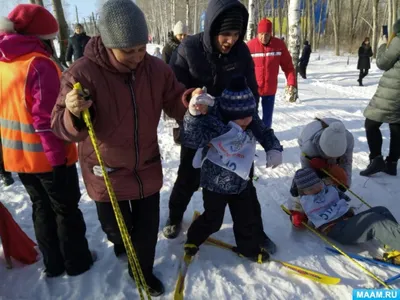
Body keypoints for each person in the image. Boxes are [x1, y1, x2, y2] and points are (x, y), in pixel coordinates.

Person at [51, 0, 196, 296]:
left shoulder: (156, 69)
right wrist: (72, 112)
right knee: (115, 230)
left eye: (141, 48)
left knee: (145, 232)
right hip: (106, 171)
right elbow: (58, 125)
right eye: (127, 50)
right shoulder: (81, 74)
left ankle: (140, 271)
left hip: (146, 166)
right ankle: (122, 244)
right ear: (107, 43)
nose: (137, 56)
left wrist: (189, 101)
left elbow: (174, 98)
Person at [163, 0, 278, 255]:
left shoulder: (241, 52)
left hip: (232, 132)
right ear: (212, 30)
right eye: (226, 34)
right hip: (200, 128)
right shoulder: (188, 49)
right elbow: (172, 89)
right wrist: (191, 100)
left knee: (244, 182)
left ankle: (255, 232)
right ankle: (174, 216)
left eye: (236, 35)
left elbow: (252, 90)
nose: (231, 40)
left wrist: (246, 122)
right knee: (188, 177)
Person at [0, 4, 94, 277]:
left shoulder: (5, 62)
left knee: (41, 208)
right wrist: (58, 161)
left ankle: (52, 264)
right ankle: (77, 262)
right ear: (42, 36)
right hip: (48, 156)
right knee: (66, 210)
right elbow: (46, 119)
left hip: (18, 157)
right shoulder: (39, 64)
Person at [183, 77, 283, 261]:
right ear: (229, 114)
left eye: (250, 115)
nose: (247, 120)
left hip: (242, 182)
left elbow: (265, 132)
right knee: (213, 221)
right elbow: (192, 138)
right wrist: (193, 115)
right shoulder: (213, 121)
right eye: (242, 118)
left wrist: (274, 148)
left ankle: (249, 249)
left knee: (246, 220)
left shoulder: (250, 118)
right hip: (215, 184)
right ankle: (193, 238)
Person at [289, 168, 400, 265]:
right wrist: (297, 217)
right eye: (310, 189)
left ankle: (393, 243)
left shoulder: (327, 187)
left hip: (348, 221)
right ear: (302, 191)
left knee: (381, 210)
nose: (316, 189)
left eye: (317, 184)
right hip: (337, 230)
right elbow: (297, 219)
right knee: (374, 221)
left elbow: (342, 192)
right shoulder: (301, 201)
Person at [360, 26, 400, 177]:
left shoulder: (398, 40)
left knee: (371, 123)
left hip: (394, 88)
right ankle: (392, 164)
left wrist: (382, 45)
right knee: (397, 125)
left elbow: (382, 63)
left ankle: (376, 159)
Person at [247, 18, 296, 128]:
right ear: (257, 33)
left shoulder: (279, 45)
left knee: (267, 118)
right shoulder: (250, 46)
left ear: (271, 34)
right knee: (251, 116)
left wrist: (291, 82)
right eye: (261, 34)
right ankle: (250, 136)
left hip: (270, 89)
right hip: (253, 89)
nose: (264, 37)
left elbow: (288, 67)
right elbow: (241, 67)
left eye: (267, 34)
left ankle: (265, 137)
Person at [292, 118, 354, 197]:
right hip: (308, 135)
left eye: (336, 156)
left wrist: (345, 183)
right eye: (329, 155)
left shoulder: (348, 139)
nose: (332, 158)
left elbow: (347, 162)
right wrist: (308, 191)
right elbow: (307, 172)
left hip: (332, 127)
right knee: (314, 173)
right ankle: (295, 184)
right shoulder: (308, 148)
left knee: (333, 169)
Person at [162, 21, 188, 144]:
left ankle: (185, 133)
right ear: (175, 34)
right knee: (175, 113)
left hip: (185, 81)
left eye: (184, 35)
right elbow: (164, 66)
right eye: (180, 35)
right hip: (172, 81)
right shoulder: (168, 49)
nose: (182, 37)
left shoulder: (188, 46)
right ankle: (177, 137)